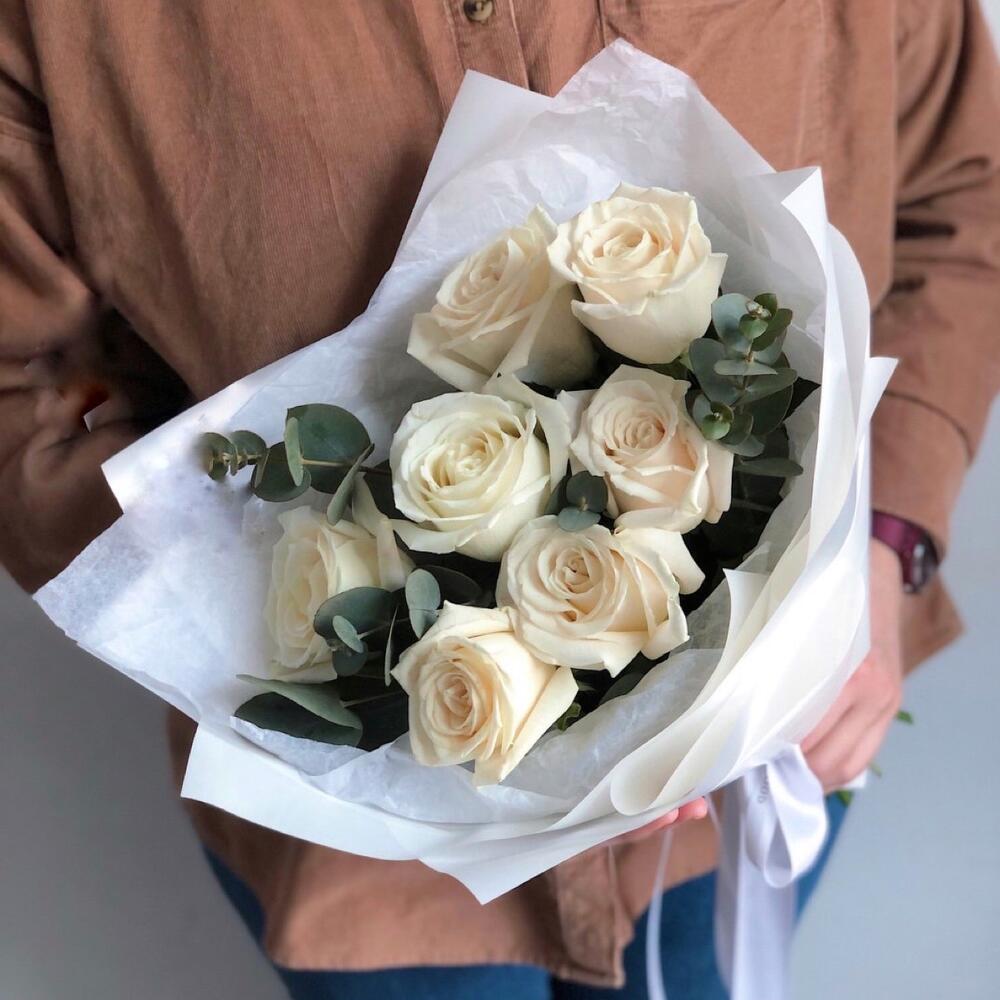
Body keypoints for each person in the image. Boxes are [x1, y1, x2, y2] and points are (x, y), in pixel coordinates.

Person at [1, 2, 998, 998]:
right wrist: (282, 612)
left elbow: (961, 196)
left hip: (753, 778)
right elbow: (22, 387)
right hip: (373, 858)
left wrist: (885, 540)